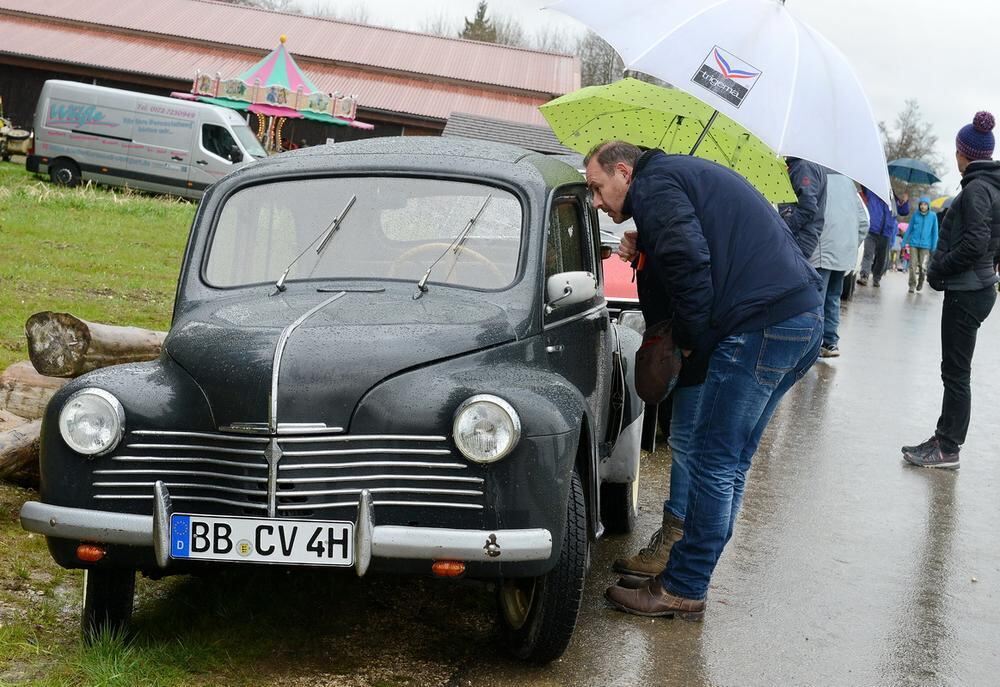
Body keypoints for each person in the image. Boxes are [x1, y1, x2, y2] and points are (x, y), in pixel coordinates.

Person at [584, 141, 823, 619]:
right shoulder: (669, 180)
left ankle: (684, 586)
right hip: (798, 319)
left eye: (596, 187)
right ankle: (684, 575)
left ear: (624, 172)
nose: (595, 200)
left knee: (715, 463)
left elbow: (692, 265)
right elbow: (694, 250)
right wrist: (647, 245)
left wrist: (688, 343)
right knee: (730, 464)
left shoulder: (654, 187)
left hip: (760, 327)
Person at [902, 111, 999, 469]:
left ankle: (948, 448)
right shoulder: (991, 186)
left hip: (967, 289)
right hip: (979, 286)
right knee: (956, 370)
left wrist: (938, 269)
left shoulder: (975, 189)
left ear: (963, 153)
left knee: (955, 372)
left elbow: (975, 243)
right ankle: (945, 437)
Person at [812, 173, 870, 358]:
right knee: (833, 298)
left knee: (816, 298)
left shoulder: (818, 177)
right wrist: (852, 244)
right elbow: (864, 222)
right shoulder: (850, 185)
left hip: (823, 247)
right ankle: (830, 342)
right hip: (844, 251)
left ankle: (811, 345)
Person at [779, 158, 828, 258]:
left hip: (797, 239)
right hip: (802, 239)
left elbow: (807, 207)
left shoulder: (804, 166)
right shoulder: (811, 163)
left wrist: (782, 228)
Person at [857, 187, 898, 287]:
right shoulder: (872, 194)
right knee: (868, 255)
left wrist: (904, 202)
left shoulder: (893, 199)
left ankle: (877, 278)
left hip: (886, 233)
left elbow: (903, 211)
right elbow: (864, 186)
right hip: (872, 231)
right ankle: (864, 276)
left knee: (881, 258)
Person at [902, 197, 939, 292]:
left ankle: (921, 281)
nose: (923, 206)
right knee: (912, 265)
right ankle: (912, 285)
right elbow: (909, 229)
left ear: (928, 206)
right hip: (913, 243)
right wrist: (904, 242)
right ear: (919, 205)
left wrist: (934, 245)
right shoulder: (915, 215)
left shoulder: (933, 216)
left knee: (923, 267)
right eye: (921, 204)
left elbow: (935, 232)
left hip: (926, 246)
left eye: (925, 204)